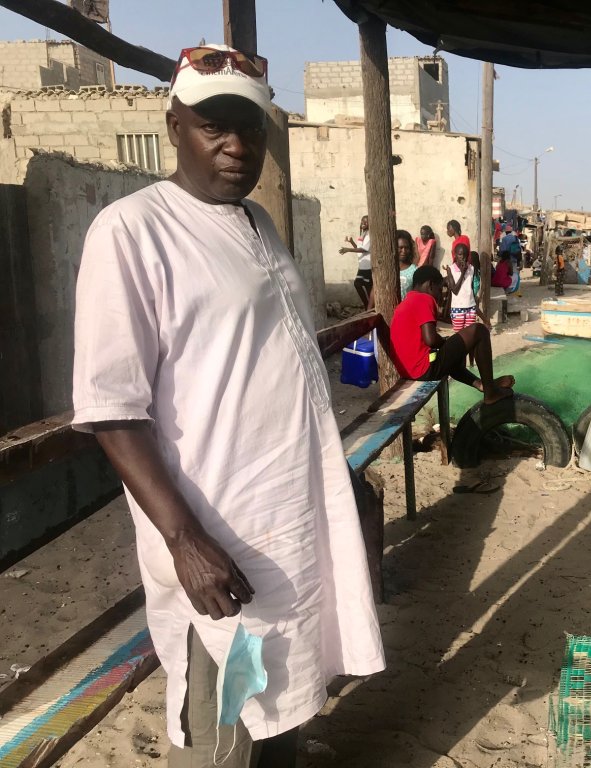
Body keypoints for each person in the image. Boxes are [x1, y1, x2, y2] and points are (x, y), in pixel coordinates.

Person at [71, 45, 384, 767]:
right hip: (217, 543)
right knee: (221, 728)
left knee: (284, 709)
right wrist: (185, 542)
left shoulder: (260, 227)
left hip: (290, 527)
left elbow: (285, 374)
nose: (237, 145)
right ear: (175, 123)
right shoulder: (132, 230)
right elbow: (112, 409)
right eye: (215, 124)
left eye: (250, 126)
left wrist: (337, 479)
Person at [389, 266, 513, 404]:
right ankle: (490, 392)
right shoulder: (423, 299)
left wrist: (448, 345)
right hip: (423, 368)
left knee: (451, 352)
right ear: (430, 285)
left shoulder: (406, 302)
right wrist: (445, 342)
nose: (440, 295)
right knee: (479, 330)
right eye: (439, 289)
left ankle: (481, 384)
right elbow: (430, 339)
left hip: (409, 370)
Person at [340, 214, 373, 308]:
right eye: (362, 221)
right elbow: (359, 249)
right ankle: (370, 307)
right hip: (362, 265)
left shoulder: (370, 234)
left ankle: (369, 306)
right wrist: (351, 242)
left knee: (359, 284)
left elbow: (364, 249)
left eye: (366, 221)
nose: (363, 223)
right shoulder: (363, 234)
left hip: (368, 265)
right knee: (367, 286)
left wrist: (348, 250)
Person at [446, 243, 479, 330]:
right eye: (460, 254)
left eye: (465, 255)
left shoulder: (471, 268)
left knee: (470, 334)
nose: (463, 257)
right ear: (455, 255)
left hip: (470, 306)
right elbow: (455, 290)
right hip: (458, 308)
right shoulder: (450, 269)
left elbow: (471, 288)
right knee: (459, 335)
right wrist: (463, 273)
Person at [397, 229, 416, 298]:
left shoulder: (414, 271)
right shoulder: (386, 269)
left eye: (406, 248)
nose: (404, 251)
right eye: (400, 247)